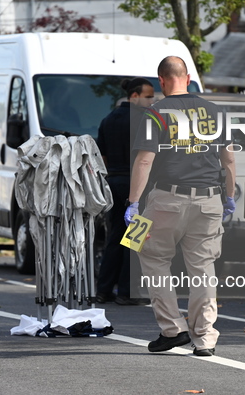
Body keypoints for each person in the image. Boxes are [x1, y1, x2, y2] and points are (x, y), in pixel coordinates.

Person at [125, 56, 236, 356]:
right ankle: (205, 338)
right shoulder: (216, 111)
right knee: (202, 267)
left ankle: (173, 329)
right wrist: (229, 197)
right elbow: (228, 161)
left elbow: (145, 161)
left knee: (146, 251)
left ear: (161, 81)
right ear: (187, 78)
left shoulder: (156, 113)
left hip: (166, 199)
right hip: (210, 200)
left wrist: (133, 203)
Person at [96, 77, 155, 305]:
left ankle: (103, 289)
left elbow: (102, 156)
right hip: (136, 184)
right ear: (134, 95)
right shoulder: (146, 120)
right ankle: (127, 291)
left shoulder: (108, 119)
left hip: (114, 181)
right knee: (135, 237)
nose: (152, 100)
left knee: (114, 237)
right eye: (148, 96)